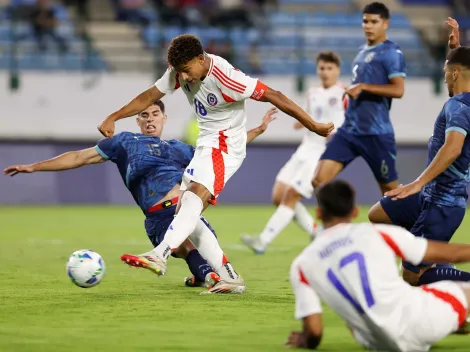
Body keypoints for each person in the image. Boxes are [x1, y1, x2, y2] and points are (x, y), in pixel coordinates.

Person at [97, 34, 334, 280]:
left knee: (192, 200)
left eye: (187, 70)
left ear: (201, 59)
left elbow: (276, 95)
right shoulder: (180, 70)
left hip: (226, 146)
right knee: (187, 212)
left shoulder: (227, 78)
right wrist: (114, 116)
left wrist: (312, 124)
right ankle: (229, 276)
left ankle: (160, 254)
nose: (184, 78)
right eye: (180, 72)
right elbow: (148, 97)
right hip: (206, 144)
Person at [4, 101, 277, 294]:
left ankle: (206, 274)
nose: (149, 119)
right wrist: (34, 166)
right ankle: (208, 275)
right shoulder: (124, 143)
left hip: (184, 208)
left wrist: (257, 130)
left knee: (186, 240)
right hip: (157, 217)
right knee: (185, 248)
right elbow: (79, 157)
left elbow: (221, 150)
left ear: (163, 118)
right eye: (144, 115)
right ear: (137, 120)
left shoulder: (178, 148)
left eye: (155, 114)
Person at [286, 180, 470, 352]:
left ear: (318, 214)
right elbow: (450, 253)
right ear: (355, 212)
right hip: (420, 324)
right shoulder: (377, 233)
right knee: (464, 291)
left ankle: (457, 321)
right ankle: (457, 318)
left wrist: (304, 340)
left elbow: (314, 332)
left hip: (376, 342)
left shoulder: (302, 265)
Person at [370, 45, 470, 287]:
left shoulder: (458, 106)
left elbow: (453, 148)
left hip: (441, 203)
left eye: (446, 71)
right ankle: (434, 257)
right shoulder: (463, 102)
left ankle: (450, 276)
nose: (444, 76)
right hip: (430, 195)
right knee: (379, 214)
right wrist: (456, 49)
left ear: (455, 74)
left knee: (412, 276)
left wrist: (417, 183)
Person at [241, 51, 346, 254]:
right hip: (305, 148)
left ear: (338, 70)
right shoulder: (313, 92)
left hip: (322, 152)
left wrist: (337, 134)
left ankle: (263, 240)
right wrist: (301, 123)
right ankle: (316, 232)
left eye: (330, 68)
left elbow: (349, 120)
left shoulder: (344, 92)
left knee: (291, 195)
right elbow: (312, 115)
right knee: (278, 195)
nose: (325, 72)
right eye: (322, 68)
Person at [312, 2, 405, 195]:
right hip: (349, 131)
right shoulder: (362, 52)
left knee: (390, 194)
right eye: (365, 21)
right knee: (319, 181)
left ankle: (406, 224)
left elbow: (398, 90)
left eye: (374, 22)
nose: (368, 26)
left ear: (385, 23)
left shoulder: (392, 53)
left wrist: (363, 87)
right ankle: (338, 222)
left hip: (376, 133)